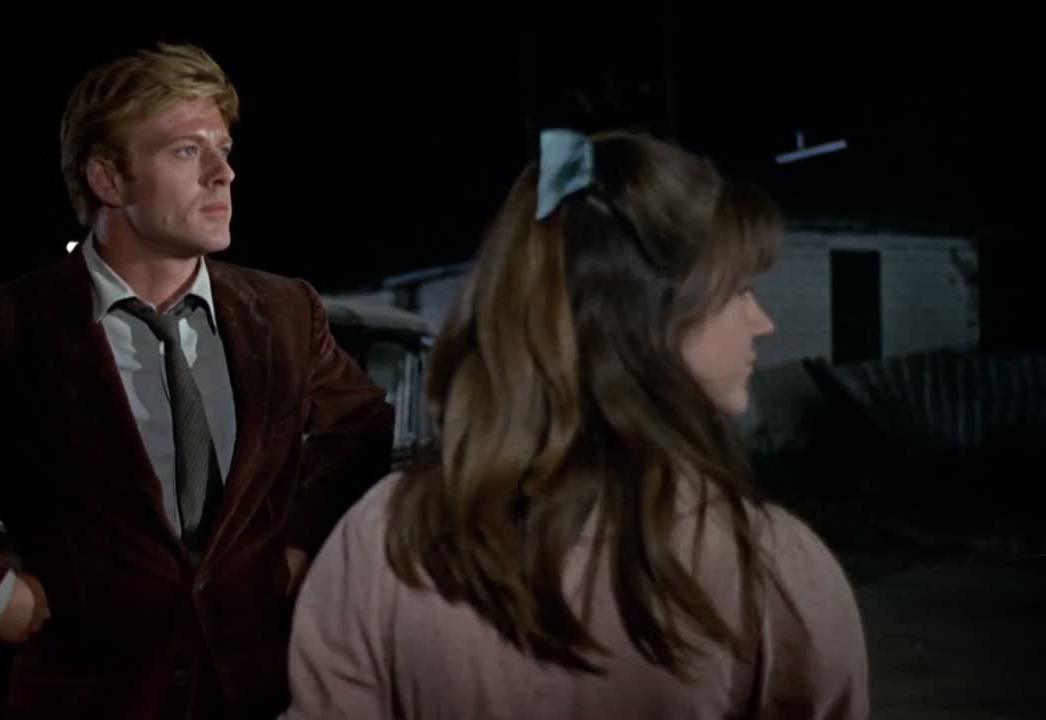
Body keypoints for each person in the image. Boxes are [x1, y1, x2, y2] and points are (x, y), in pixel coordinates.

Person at [0, 42, 394, 719]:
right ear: (108, 179)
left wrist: (303, 543)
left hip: (260, 695)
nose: (223, 173)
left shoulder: (284, 311)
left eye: (223, 149)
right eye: (187, 151)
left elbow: (361, 426)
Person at [280, 129, 870, 718]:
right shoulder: (773, 572)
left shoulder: (383, 544)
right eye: (740, 291)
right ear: (649, 317)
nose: (762, 321)